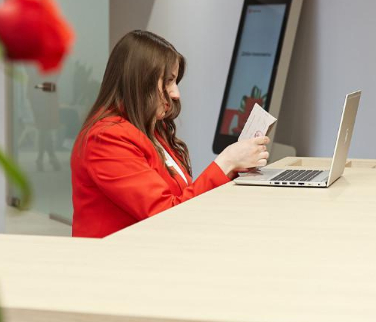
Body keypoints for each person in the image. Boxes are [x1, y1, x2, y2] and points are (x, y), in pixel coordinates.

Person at [71, 30, 270, 239]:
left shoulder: (151, 128)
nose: (175, 93)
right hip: (122, 255)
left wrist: (235, 166)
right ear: (140, 81)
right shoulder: (106, 138)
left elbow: (180, 198)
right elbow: (166, 214)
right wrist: (226, 162)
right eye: (168, 81)